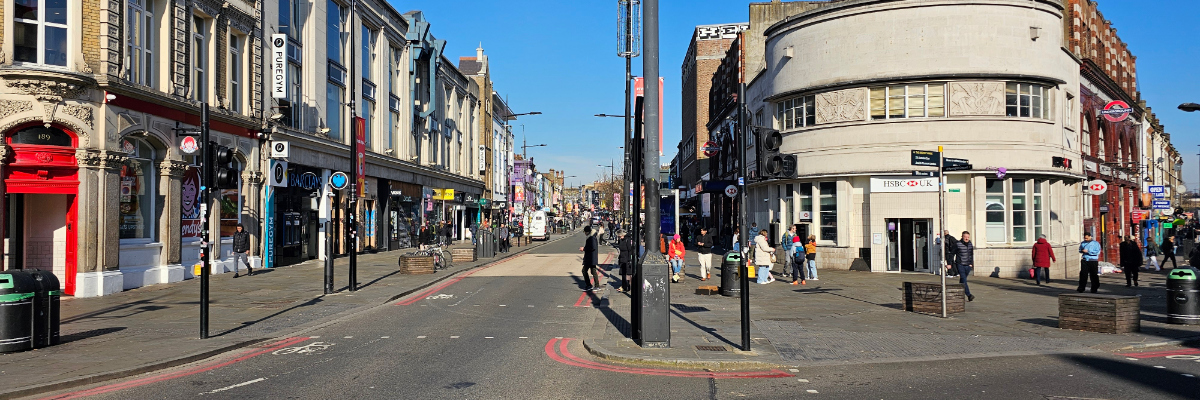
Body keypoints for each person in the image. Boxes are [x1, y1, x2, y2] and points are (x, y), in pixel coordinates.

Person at [947, 231, 975, 301]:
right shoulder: (957, 244)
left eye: (968, 237)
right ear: (962, 237)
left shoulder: (970, 244)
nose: (966, 238)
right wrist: (949, 263)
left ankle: (959, 293)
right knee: (964, 279)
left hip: (968, 265)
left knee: (962, 281)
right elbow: (951, 254)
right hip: (960, 264)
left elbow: (971, 254)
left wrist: (971, 263)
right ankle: (969, 295)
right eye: (965, 237)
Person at [579, 226, 601, 291]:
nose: (585, 233)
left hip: (590, 258)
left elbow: (592, 247)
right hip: (591, 258)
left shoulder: (591, 238)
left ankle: (590, 285)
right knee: (593, 271)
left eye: (585, 232)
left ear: (587, 232)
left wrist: (584, 249)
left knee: (585, 271)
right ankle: (595, 285)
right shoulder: (591, 237)